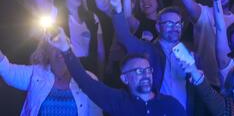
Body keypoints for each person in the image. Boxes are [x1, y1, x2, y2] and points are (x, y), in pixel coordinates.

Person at [47, 29, 184, 115]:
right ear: (124, 79)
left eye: (148, 70)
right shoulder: (118, 101)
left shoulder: (170, 105)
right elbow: (85, 82)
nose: (145, 75)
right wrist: (66, 50)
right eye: (138, 71)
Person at [0, 42, 102, 116]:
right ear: (46, 54)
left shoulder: (88, 78)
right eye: (54, 46)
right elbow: (8, 71)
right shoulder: (36, 73)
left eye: (64, 44)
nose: (60, 50)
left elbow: (96, 113)